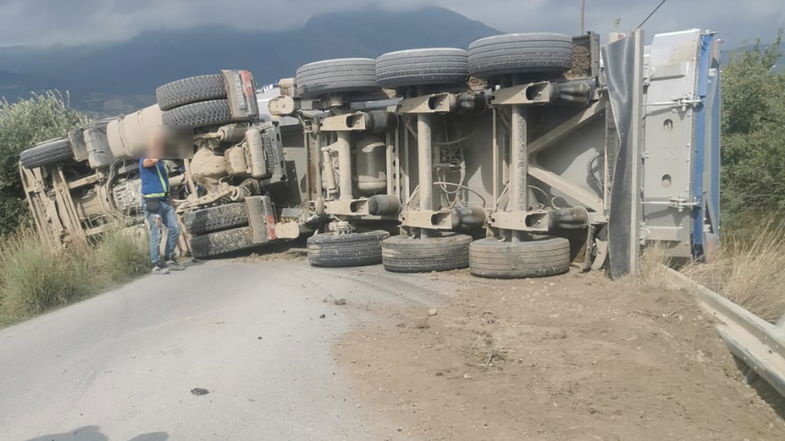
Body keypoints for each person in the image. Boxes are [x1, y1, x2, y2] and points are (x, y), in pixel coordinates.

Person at [140, 137, 184, 274]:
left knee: (175, 229)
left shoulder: (160, 165)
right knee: (157, 232)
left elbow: (164, 183)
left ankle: (169, 258)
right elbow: (152, 160)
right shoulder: (144, 160)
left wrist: (170, 199)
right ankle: (156, 264)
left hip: (164, 201)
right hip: (152, 203)